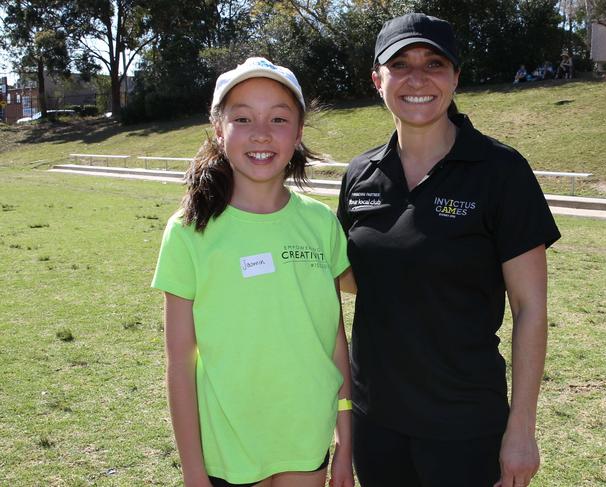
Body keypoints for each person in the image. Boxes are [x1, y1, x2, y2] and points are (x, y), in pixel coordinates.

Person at [337, 13, 561, 487]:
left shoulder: (501, 171)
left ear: (456, 77)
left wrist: (521, 430)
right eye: (400, 64)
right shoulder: (359, 175)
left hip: (465, 426)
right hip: (376, 420)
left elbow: (530, 308)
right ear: (378, 80)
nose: (417, 78)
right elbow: (354, 279)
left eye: (434, 63)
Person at [152, 57, 354, 487]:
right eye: (242, 118)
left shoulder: (321, 225)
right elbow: (179, 364)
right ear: (218, 128)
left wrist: (346, 443)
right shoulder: (189, 231)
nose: (261, 133)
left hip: (306, 441)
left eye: (278, 118)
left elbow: (334, 342)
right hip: (226, 452)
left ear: (298, 132)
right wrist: (192, 473)